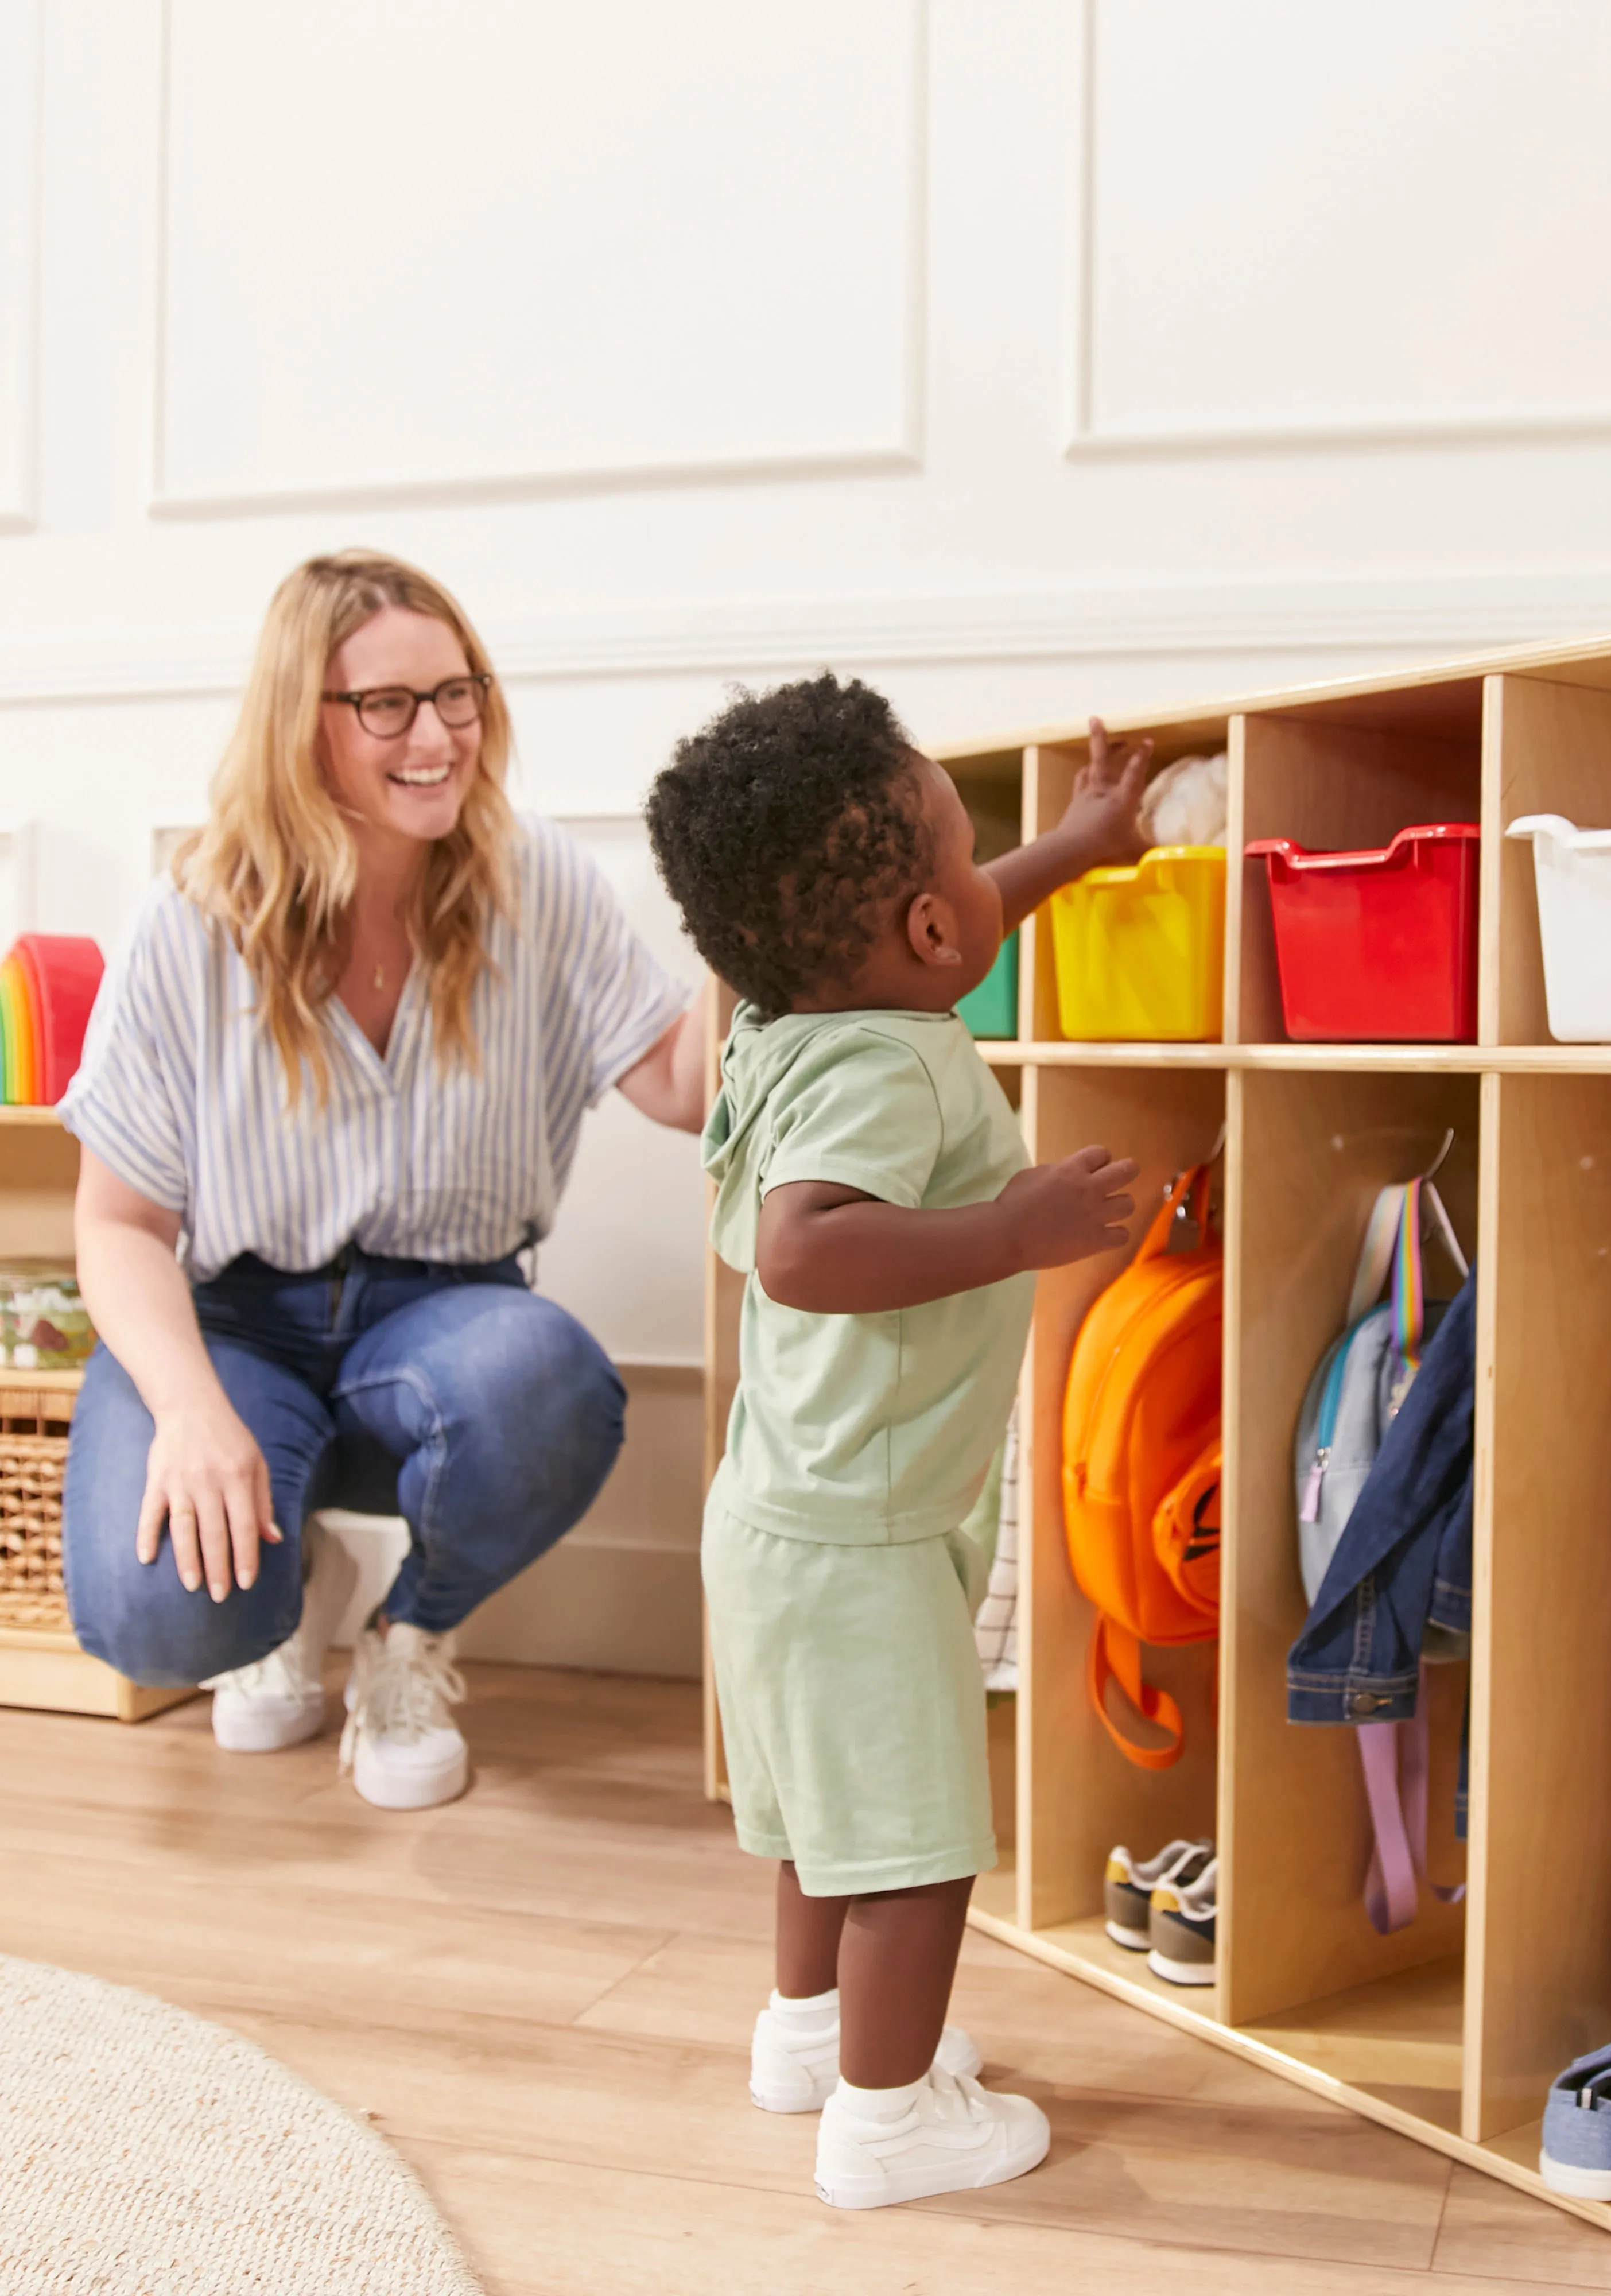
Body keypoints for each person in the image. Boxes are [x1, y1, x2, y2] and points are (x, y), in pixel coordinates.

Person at [61, 550, 715, 1810]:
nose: (438, 735)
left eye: (456, 692)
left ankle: (406, 1639)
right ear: (299, 723)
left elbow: (684, 1088)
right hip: (236, 1322)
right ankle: (289, 1589)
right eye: (388, 705)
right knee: (151, 1620)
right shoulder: (191, 918)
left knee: (546, 1382)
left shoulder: (539, 883)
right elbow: (118, 1222)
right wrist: (194, 1414)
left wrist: (743, 916)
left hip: (441, 1320)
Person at [644, 676, 1150, 2208]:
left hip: (788, 1513)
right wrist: (1014, 1227)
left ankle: (810, 2041)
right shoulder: (890, 1064)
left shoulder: (794, 1015)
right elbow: (800, 1251)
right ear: (927, 941)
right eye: (964, 850)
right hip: (857, 1541)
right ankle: (889, 2125)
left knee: (822, 1821)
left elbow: (964, 913)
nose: (980, 875)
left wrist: (1072, 846)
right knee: (917, 1848)